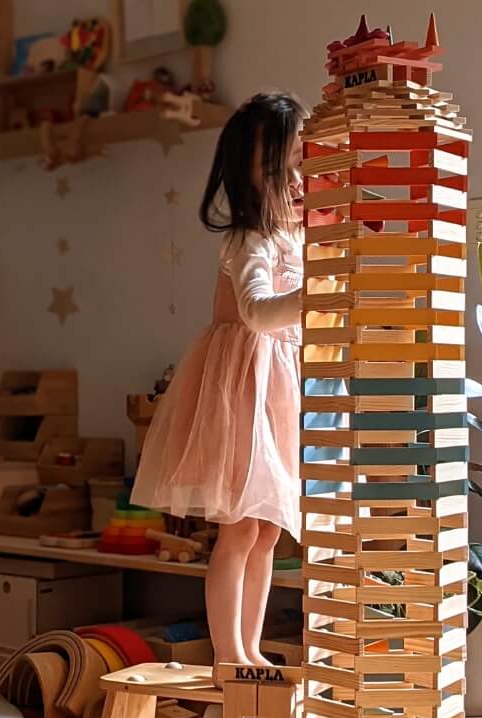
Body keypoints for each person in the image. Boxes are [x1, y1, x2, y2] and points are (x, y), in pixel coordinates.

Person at [131, 91, 337, 677]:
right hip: (243, 386)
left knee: (269, 528)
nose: (300, 181)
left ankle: (250, 647)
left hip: (281, 387)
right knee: (241, 527)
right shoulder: (252, 238)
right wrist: (310, 296)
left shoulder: (301, 238)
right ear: (255, 181)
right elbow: (257, 312)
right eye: (286, 170)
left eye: (306, 164)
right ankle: (229, 654)